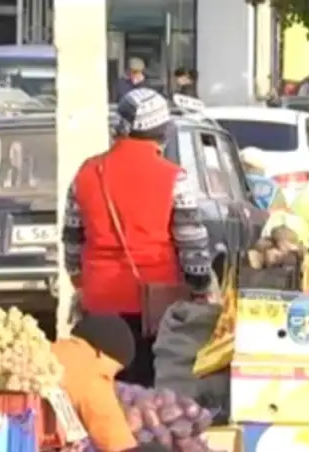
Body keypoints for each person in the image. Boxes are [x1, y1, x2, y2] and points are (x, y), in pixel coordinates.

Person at [62, 87, 214, 387]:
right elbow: (191, 241)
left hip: (100, 297)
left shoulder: (88, 172)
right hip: (156, 303)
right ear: (161, 131)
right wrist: (200, 286)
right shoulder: (174, 177)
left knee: (104, 383)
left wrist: (79, 281)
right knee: (148, 391)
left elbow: (72, 238)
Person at [53, 315, 172, 452]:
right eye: (113, 372)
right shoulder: (93, 376)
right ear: (101, 354)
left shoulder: (49, 349)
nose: (109, 380)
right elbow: (115, 439)